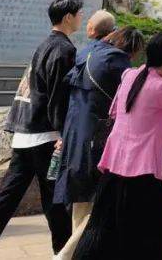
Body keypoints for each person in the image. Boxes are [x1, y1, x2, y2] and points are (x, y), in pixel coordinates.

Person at [0, 0, 83, 260]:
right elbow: (58, 96)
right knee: (55, 199)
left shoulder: (43, 46)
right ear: (67, 18)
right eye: (78, 14)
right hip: (46, 135)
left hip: (24, 133)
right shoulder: (64, 50)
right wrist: (64, 132)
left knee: (6, 197)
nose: (81, 18)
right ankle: (63, 252)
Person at [72, 32, 162, 259]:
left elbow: (115, 110)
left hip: (115, 162)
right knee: (155, 229)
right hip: (143, 168)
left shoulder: (129, 74)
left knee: (105, 225)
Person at [53, 25, 144, 260]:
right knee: (100, 203)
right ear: (133, 50)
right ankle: (65, 254)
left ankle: (77, 255)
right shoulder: (120, 64)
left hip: (73, 132)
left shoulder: (86, 52)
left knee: (79, 196)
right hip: (97, 137)